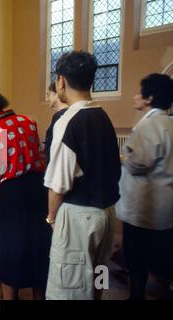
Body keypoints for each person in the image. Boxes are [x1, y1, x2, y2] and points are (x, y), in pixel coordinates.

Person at [44, 51, 121, 300]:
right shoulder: (103, 115)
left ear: (61, 81)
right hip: (107, 215)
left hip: (79, 219)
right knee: (98, 279)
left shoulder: (68, 121)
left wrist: (52, 219)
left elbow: (58, 183)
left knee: (69, 291)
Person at [0, 87, 51, 300]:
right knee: (38, 254)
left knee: (11, 256)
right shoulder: (28, 122)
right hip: (38, 192)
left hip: (11, 199)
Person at [116, 74, 173, 300]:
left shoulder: (149, 125)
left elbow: (139, 163)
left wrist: (122, 157)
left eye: (139, 92)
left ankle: (136, 295)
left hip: (143, 208)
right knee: (162, 254)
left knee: (137, 258)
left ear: (149, 98)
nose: (135, 96)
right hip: (165, 204)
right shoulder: (169, 122)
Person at [44, 81, 68, 165]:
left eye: (48, 95)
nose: (47, 99)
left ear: (57, 94)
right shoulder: (62, 114)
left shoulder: (60, 116)